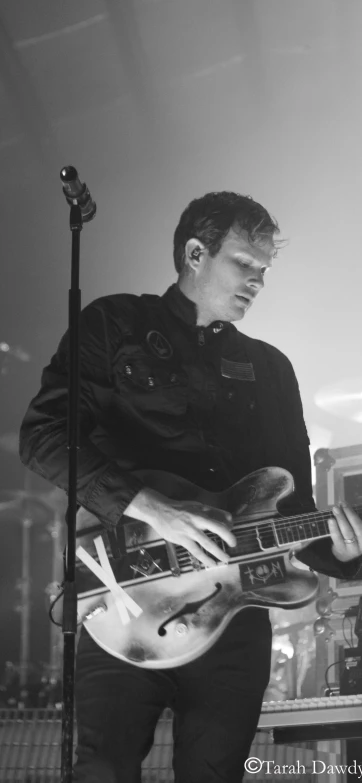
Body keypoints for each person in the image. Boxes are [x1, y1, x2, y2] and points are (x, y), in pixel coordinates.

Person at [19, 191, 362, 782]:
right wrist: (154, 509)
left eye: (264, 271)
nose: (257, 281)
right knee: (102, 770)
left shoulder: (271, 368)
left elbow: (295, 510)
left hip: (233, 618)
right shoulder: (113, 323)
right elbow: (44, 436)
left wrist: (343, 555)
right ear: (196, 253)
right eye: (244, 264)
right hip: (123, 594)